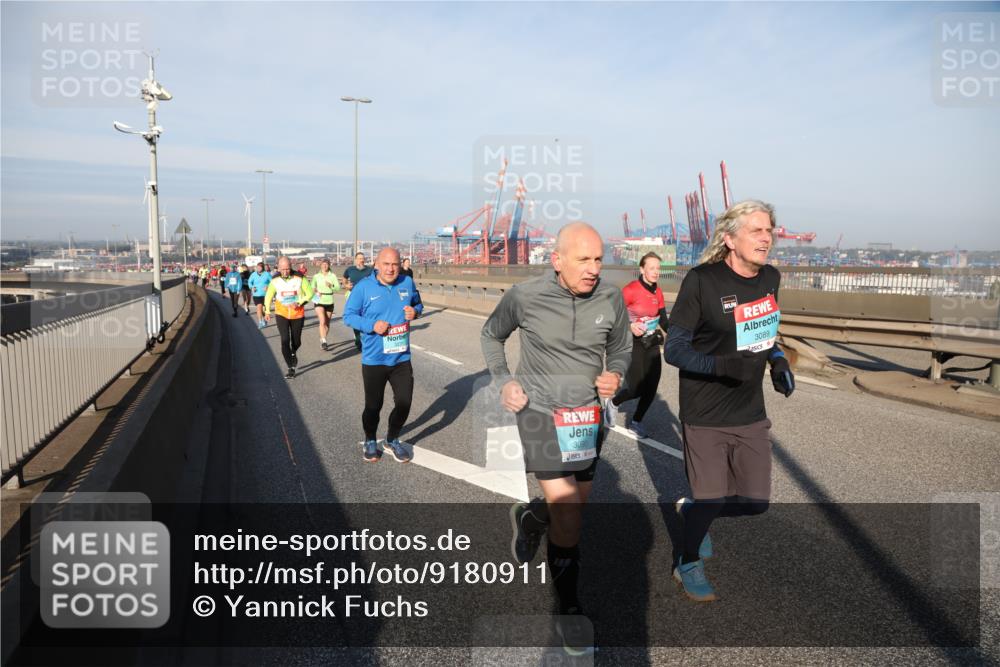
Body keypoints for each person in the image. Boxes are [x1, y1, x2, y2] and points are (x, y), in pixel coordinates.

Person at [481, 222, 631, 654]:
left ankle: (530, 519)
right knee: (568, 512)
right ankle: (568, 609)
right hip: (539, 413)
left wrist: (615, 372)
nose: (593, 269)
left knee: (573, 506)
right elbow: (491, 334)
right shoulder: (525, 296)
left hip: (587, 417)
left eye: (599, 259)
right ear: (557, 260)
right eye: (583, 259)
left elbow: (621, 347)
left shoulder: (610, 297)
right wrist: (503, 381)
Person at [664, 200, 794, 603]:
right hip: (704, 412)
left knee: (756, 504)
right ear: (730, 239)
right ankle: (687, 560)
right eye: (756, 230)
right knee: (712, 498)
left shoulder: (770, 278)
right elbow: (675, 350)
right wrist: (723, 366)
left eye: (769, 230)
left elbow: (766, 332)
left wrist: (777, 360)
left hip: (750, 411)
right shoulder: (702, 281)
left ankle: (692, 513)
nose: (766, 237)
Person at [343, 248, 423, 463]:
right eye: (386, 264)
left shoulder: (406, 283)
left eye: (395, 264)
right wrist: (371, 325)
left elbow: (418, 304)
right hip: (374, 359)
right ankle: (370, 439)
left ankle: (392, 438)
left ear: (400, 265)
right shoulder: (363, 288)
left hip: (401, 358)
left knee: (404, 403)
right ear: (376, 264)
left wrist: (415, 312)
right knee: (373, 406)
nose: (391, 268)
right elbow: (348, 316)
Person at [604, 252, 669, 439]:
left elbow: (664, 320)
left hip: (651, 343)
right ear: (642, 269)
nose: (656, 272)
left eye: (658, 268)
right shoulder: (630, 290)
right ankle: (614, 402)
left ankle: (636, 422)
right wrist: (630, 326)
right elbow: (613, 313)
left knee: (651, 387)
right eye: (652, 268)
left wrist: (679, 335)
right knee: (636, 388)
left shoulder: (658, 291)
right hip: (634, 343)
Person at [264, 256, 315, 379]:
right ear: (278, 268)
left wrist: (299, 302)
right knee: (285, 340)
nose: (285, 271)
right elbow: (269, 296)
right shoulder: (275, 279)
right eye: (283, 269)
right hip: (281, 313)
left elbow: (310, 294)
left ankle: (293, 352)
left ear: (291, 267)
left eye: (287, 269)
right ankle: (290, 367)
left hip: (297, 313)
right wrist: (267, 311)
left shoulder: (299, 277)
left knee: (296, 341)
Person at [343, 252, 373, 351]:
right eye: (359, 258)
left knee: (365, 317)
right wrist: (346, 285)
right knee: (355, 317)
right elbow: (344, 279)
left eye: (363, 258)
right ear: (355, 260)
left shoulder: (369, 270)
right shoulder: (350, 270)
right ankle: (358, 338)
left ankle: (365, 337)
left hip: (367, 298)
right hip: (354, 297)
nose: (361, 260)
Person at [310, 259, 341, 351]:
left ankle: (323, 337)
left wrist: (331, 285)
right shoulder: (316, 276)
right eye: (323, 264)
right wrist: (315, 290)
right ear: (320, 265)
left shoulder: (333, 276)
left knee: (327, 323)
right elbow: (312, 286)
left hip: (329, 300)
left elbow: (338, 288)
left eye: (326, 264)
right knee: (322, 320)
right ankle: (324, 341)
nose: (324, 266)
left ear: (329, 265)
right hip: (319, 300)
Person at [247, 262, 272, 329]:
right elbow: (249, 282)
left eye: (260, 267)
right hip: (256, 294)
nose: (258, 268)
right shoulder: (253, 274)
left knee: (263, 309)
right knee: (259, 307)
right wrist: (252, 287)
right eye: (257, 267)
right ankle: (260, 322)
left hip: (265, 294)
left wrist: (268, 286)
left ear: (263, 267)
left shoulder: (267, 274)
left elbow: (272, 282)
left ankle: (264, 318)